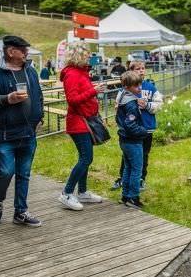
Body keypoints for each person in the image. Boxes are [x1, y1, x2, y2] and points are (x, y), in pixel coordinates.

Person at [0, 35, 44, 227]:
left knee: (24, 174)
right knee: (7, 171)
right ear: (10, 52)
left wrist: (39, 118)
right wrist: (7, 98)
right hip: (6, 134)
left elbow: (38, 96)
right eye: (23, 49)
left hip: (29, 132)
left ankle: (20, 212)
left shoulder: (30, 71)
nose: (26, 52)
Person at [58, 41, 105, 211]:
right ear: (79, 55)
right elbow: (72, 100)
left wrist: (93, 89)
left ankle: (83, 191)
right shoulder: (72, 74)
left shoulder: (81, 72)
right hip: (78, 121)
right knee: (86, 158)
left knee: (85, 158)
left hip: (85, 120)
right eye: (87, 53)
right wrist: (93, 91)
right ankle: (67, 193)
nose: (90, 56)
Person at [112, 61, 163, 191]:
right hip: (131, 129)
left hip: (146, 128)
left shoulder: (150, 87)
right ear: (131, 71)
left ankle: (141, 179)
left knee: (144, 154)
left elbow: (159, 104)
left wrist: (147, 106)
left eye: (143, 68)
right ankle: (123, 178)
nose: (141, 71)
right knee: (128, 155)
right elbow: (118, 105)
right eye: (137, 69)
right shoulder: (125, 89)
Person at [116, 70, 148, 209]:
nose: (139, 88)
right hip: (133, 141)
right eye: (136, 86)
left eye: (140, 84)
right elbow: (130, 124)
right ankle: (133, 197)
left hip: (124, 140)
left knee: (128, 168)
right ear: (127, 87)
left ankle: (125, 196)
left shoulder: (123, 97)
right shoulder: (131, 103)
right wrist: (143, 131)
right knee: (136, 170)